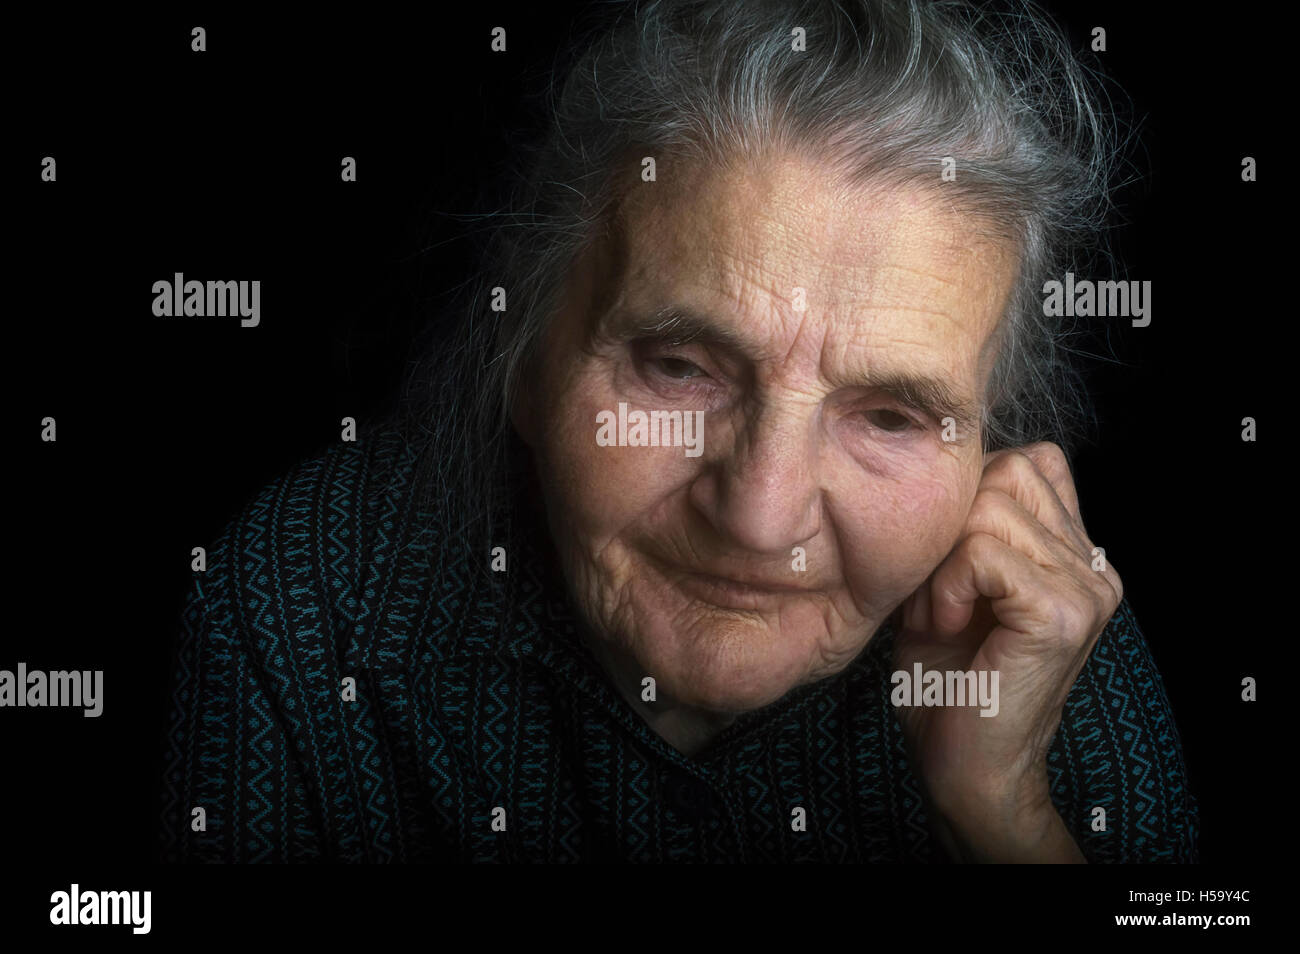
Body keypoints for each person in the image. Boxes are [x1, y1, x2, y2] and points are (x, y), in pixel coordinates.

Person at [159, 0, 1198, 862]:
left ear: (991, 449)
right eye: (678, 367)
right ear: (522, 353)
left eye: (890, 415)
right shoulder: (306, 601)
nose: (759, 517)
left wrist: (1005, 813)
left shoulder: (1040, 628)